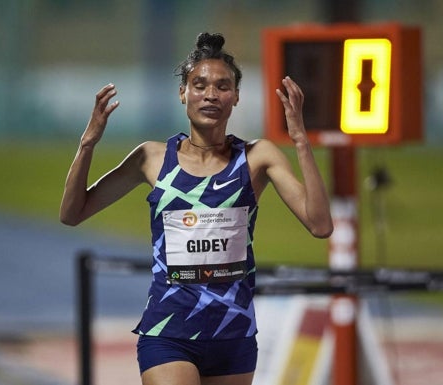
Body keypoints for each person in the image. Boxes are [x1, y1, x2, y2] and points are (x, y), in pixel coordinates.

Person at [60, 32, 333, 385]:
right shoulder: (152, 158)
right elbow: (72, 213)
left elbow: (321, 224)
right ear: (182, 93)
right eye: (199, 84)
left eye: (222, 86)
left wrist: (299, 141)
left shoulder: (257, 157)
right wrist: (87, 144)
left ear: (235, 98)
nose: (210, 94)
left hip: (233, 332)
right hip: (168, 330)